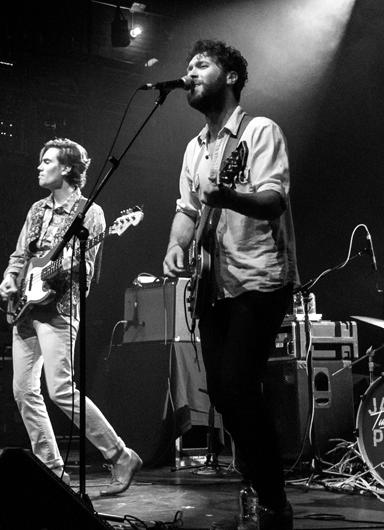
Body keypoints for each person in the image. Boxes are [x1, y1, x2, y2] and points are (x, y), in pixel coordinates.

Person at [162, 40, 299, 529]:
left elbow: (273, 199)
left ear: (232, 77)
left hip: (259, 276)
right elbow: (187, 209)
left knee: (239, 385)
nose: (190, 72)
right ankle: (258, 481)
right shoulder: (194, 148)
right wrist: (176, 245)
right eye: (187, 66)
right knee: (221, 393)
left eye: (201, 65)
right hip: (212, 284)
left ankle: (274, 498)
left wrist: (227, 195)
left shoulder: (259, 131)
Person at [0, 138, 142, 495]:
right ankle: (51, 469)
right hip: (26, 308)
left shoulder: (90, 213)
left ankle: (120, 454)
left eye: (47, 161)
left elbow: (88, 270)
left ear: (66, 168)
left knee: (61, 389)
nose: (39, 166)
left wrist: (64, 267)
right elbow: (21, 255)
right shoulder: (36, 210)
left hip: (60, 309)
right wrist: (11, 278)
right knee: (23, 391)